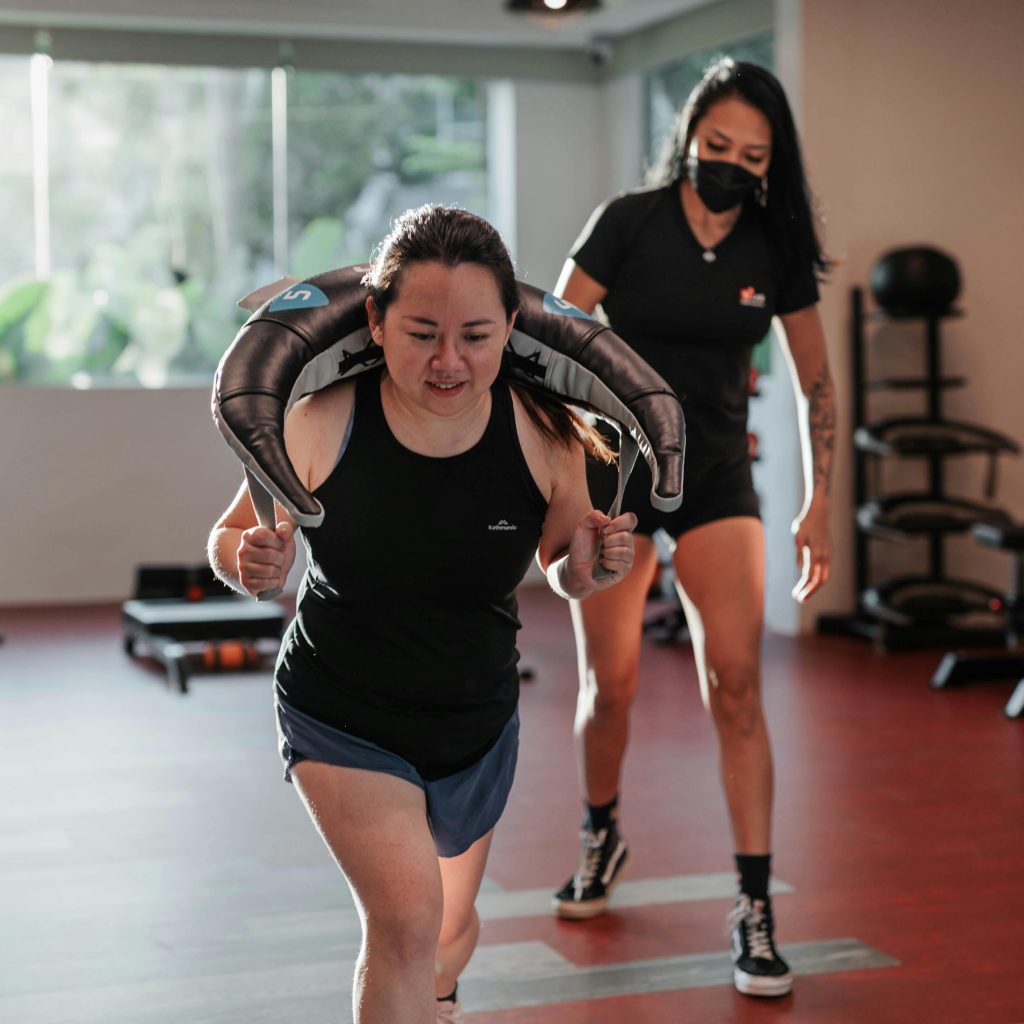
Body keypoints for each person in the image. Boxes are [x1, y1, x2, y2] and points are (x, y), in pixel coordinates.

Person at [208, 205, 637, 1024]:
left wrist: (587, 567)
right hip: (343, 713)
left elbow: (562, 565)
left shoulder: (544, 435)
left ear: (511, 325)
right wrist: (248, 561)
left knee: (446, 934)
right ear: (375, 319)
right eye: (421, 333)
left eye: (476, 335)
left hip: (475, 724)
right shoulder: (320, 420)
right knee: (405, 924)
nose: (449, 360)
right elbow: (233, 536)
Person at [550, 58, 835, 999]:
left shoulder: (773, 246)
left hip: (715, 477)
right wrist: (565, 479)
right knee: (614, 684)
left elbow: (814, 382)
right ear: (689, 138)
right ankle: (601, 836)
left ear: (771, 162)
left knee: (739, 684)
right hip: (615, 482)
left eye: (752, 154)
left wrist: (819, 499)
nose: (731, 164)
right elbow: (549, 343)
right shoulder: (626, 222)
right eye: (717, 145)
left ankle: (754, 905)